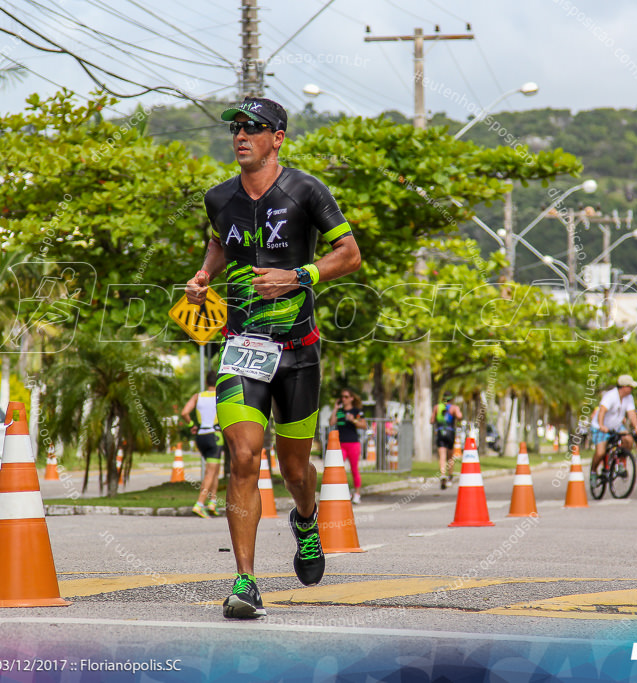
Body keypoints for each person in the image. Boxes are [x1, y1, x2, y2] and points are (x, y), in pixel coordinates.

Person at [185, 97, 361, 619]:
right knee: (242, 456)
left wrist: (299, 275)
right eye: (236, 128)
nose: (241, 135)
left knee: (294, 468)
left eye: (253, 128)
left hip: (298, 352)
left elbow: (349, 254)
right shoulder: (219, 198)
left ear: (277, 137)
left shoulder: (306, 190)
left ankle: (305, 520)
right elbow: (219, 244)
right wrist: (203, 276)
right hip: (241, 347)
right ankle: (245, 582)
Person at [180, 371, 223, 518]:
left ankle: (212, 503)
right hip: (215, 436)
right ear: (217, 383)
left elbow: (184, 412)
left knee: (215, 470)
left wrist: (192, 424)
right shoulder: (220, 396)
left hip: (201, 436)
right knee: (211, 472)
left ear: (206, 383)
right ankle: (199, 504)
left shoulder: (198, 396)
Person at [589, 375, 637, 483]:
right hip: (601, 427)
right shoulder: (610, 396)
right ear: (623, 387)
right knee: (600, 452)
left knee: (628, 440)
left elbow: (631, 413)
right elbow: (602, 411)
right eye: (630, 387)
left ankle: (622, 464)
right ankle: (593, 472)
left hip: (616, 426)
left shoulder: (629, 398)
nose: (632, 389)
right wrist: (601, 425)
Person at [329, 389, 367, 504]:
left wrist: (354, 420)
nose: (343, 399)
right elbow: (332, 423)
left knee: (354, 469)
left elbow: (364, 425)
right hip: (341, 444)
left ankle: (357, 494)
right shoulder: (340, 411)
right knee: (340, 469)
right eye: (342, 397)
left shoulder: (357, 411)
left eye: (346, 397)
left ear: (351, 398)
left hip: (353, 444)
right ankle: (346, 492)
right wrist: (335, 408)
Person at [431, 392, 462, 489]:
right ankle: (450, 475)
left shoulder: (437, 407)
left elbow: (431, 420)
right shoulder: (454, 408)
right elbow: (460, 416)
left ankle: (442, 474)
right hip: (450, 432)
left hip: (440, 432)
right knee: (450, 456)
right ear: (451, 399)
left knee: (442, 455)